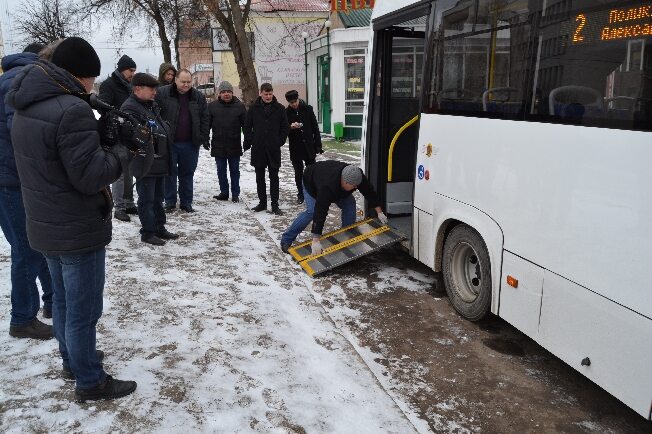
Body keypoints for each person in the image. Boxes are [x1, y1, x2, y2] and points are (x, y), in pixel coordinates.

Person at [6, 36, 136, 401]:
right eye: (91, 78)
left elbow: (53, 162)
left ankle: (72, 360)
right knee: (83, 309)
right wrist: (115, 150)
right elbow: (90, 176)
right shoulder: (70, 109)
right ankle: (90, 380)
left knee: (62, 300)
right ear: (79, 75)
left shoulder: (26, 105)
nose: (94, 85)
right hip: (77, 225)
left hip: (44, 222)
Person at [0, 42, 54, 339]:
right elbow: (19, 130)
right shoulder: (20, 80)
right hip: (11, 178)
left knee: (37, 244)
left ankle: (52, 302)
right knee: (27, 248)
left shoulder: (14, 76)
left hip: (14, 176)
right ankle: (22, 318)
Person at [280, 161, 388, 255]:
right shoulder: (326, 187)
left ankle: (347, 237)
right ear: (345, 181)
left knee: (350, 205)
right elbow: (320, 212)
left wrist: (379, 212)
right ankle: (286, 239)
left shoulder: (356, 175)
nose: (356, 188)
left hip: (335, 186)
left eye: (357, 185)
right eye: (354, 186)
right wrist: (316, 240)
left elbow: (369, 192)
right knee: (312, 212)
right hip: (311, 182)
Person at [121, 73, 178, 245]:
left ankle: (159, 227)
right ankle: (148, 232)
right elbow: (133, 137)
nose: (155, 92)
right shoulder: (130, 108)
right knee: (147, 199)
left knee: (158, 197)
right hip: (145, 162)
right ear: (138, 89)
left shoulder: (149, 105)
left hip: (158, 161)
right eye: (151, 89)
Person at [156, 69, 209, 213]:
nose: (186, 85)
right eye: (183, 82)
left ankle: (186, 202)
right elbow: (155, 114)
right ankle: (170, 201)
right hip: (169, 142)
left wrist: (203, 137)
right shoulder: (163, 93)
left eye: (189, 82)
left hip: (190, 143)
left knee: (187, 173)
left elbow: (205, 117)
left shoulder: (198, 96)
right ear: (175, 80)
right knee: (169, 173)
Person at [99, 54, 138, 222]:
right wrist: (117, 117)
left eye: (134, 70)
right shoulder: (109, 84)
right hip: (115, 133)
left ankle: (129, 202)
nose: (133, 73)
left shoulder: (129, 85)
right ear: (122, 69)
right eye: (131, 70)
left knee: (129, 170)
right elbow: (102, 106)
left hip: (128, 133)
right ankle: (119, 206)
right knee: (120, 172)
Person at [244, 83, 289, 215]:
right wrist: (252, 139)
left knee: (274, 177)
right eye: (266, 94)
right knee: (260, 177)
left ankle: (275, 205)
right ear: (260, 93)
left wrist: (279, 141)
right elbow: (247, 127)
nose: (268, 96)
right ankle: (262, 202)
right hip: (258, 148)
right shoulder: (253, 108)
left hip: (274, 148)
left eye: (270, 94)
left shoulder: (280, 108)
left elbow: (285, 127)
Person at [208, 81, 246, 203]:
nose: (226, 94)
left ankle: (235, 193)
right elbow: (206, 125)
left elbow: (246, 126)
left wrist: (248, 140)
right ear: (219, 93)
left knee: (235, 171)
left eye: (228, 91)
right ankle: (224, 192)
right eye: (223, 92)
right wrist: (204, 139)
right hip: (218, 145)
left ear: (232, 93)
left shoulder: (240, 106)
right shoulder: (212, 106)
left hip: (234, 145)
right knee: (221, 170)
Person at [285, 90, 323, 204]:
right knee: (298, 173)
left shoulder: (308, 109)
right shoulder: (286, 112)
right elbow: (283, 129)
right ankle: (301, 194)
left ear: (298, 99)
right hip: (295, 147)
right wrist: (290, 127)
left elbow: (315, 128)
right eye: (291, 102)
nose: (294, 104)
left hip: (308, 146)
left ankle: (314, 192)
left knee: (312, 171)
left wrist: (318, 144)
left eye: (295, 101)